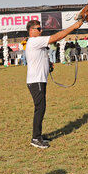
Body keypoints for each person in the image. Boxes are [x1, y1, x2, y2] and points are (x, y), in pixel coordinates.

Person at [25, 18, 83, 148]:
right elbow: (56, 37)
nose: (41, 31)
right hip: (36, 81)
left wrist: (48, 64)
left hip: (39, 80)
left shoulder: (35, 42)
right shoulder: (34, 41)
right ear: (31, 30)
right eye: (38, 29)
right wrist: (73, 27)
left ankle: (38, 135)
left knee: (41, 108)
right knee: (40, 108)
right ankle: (35, 138)